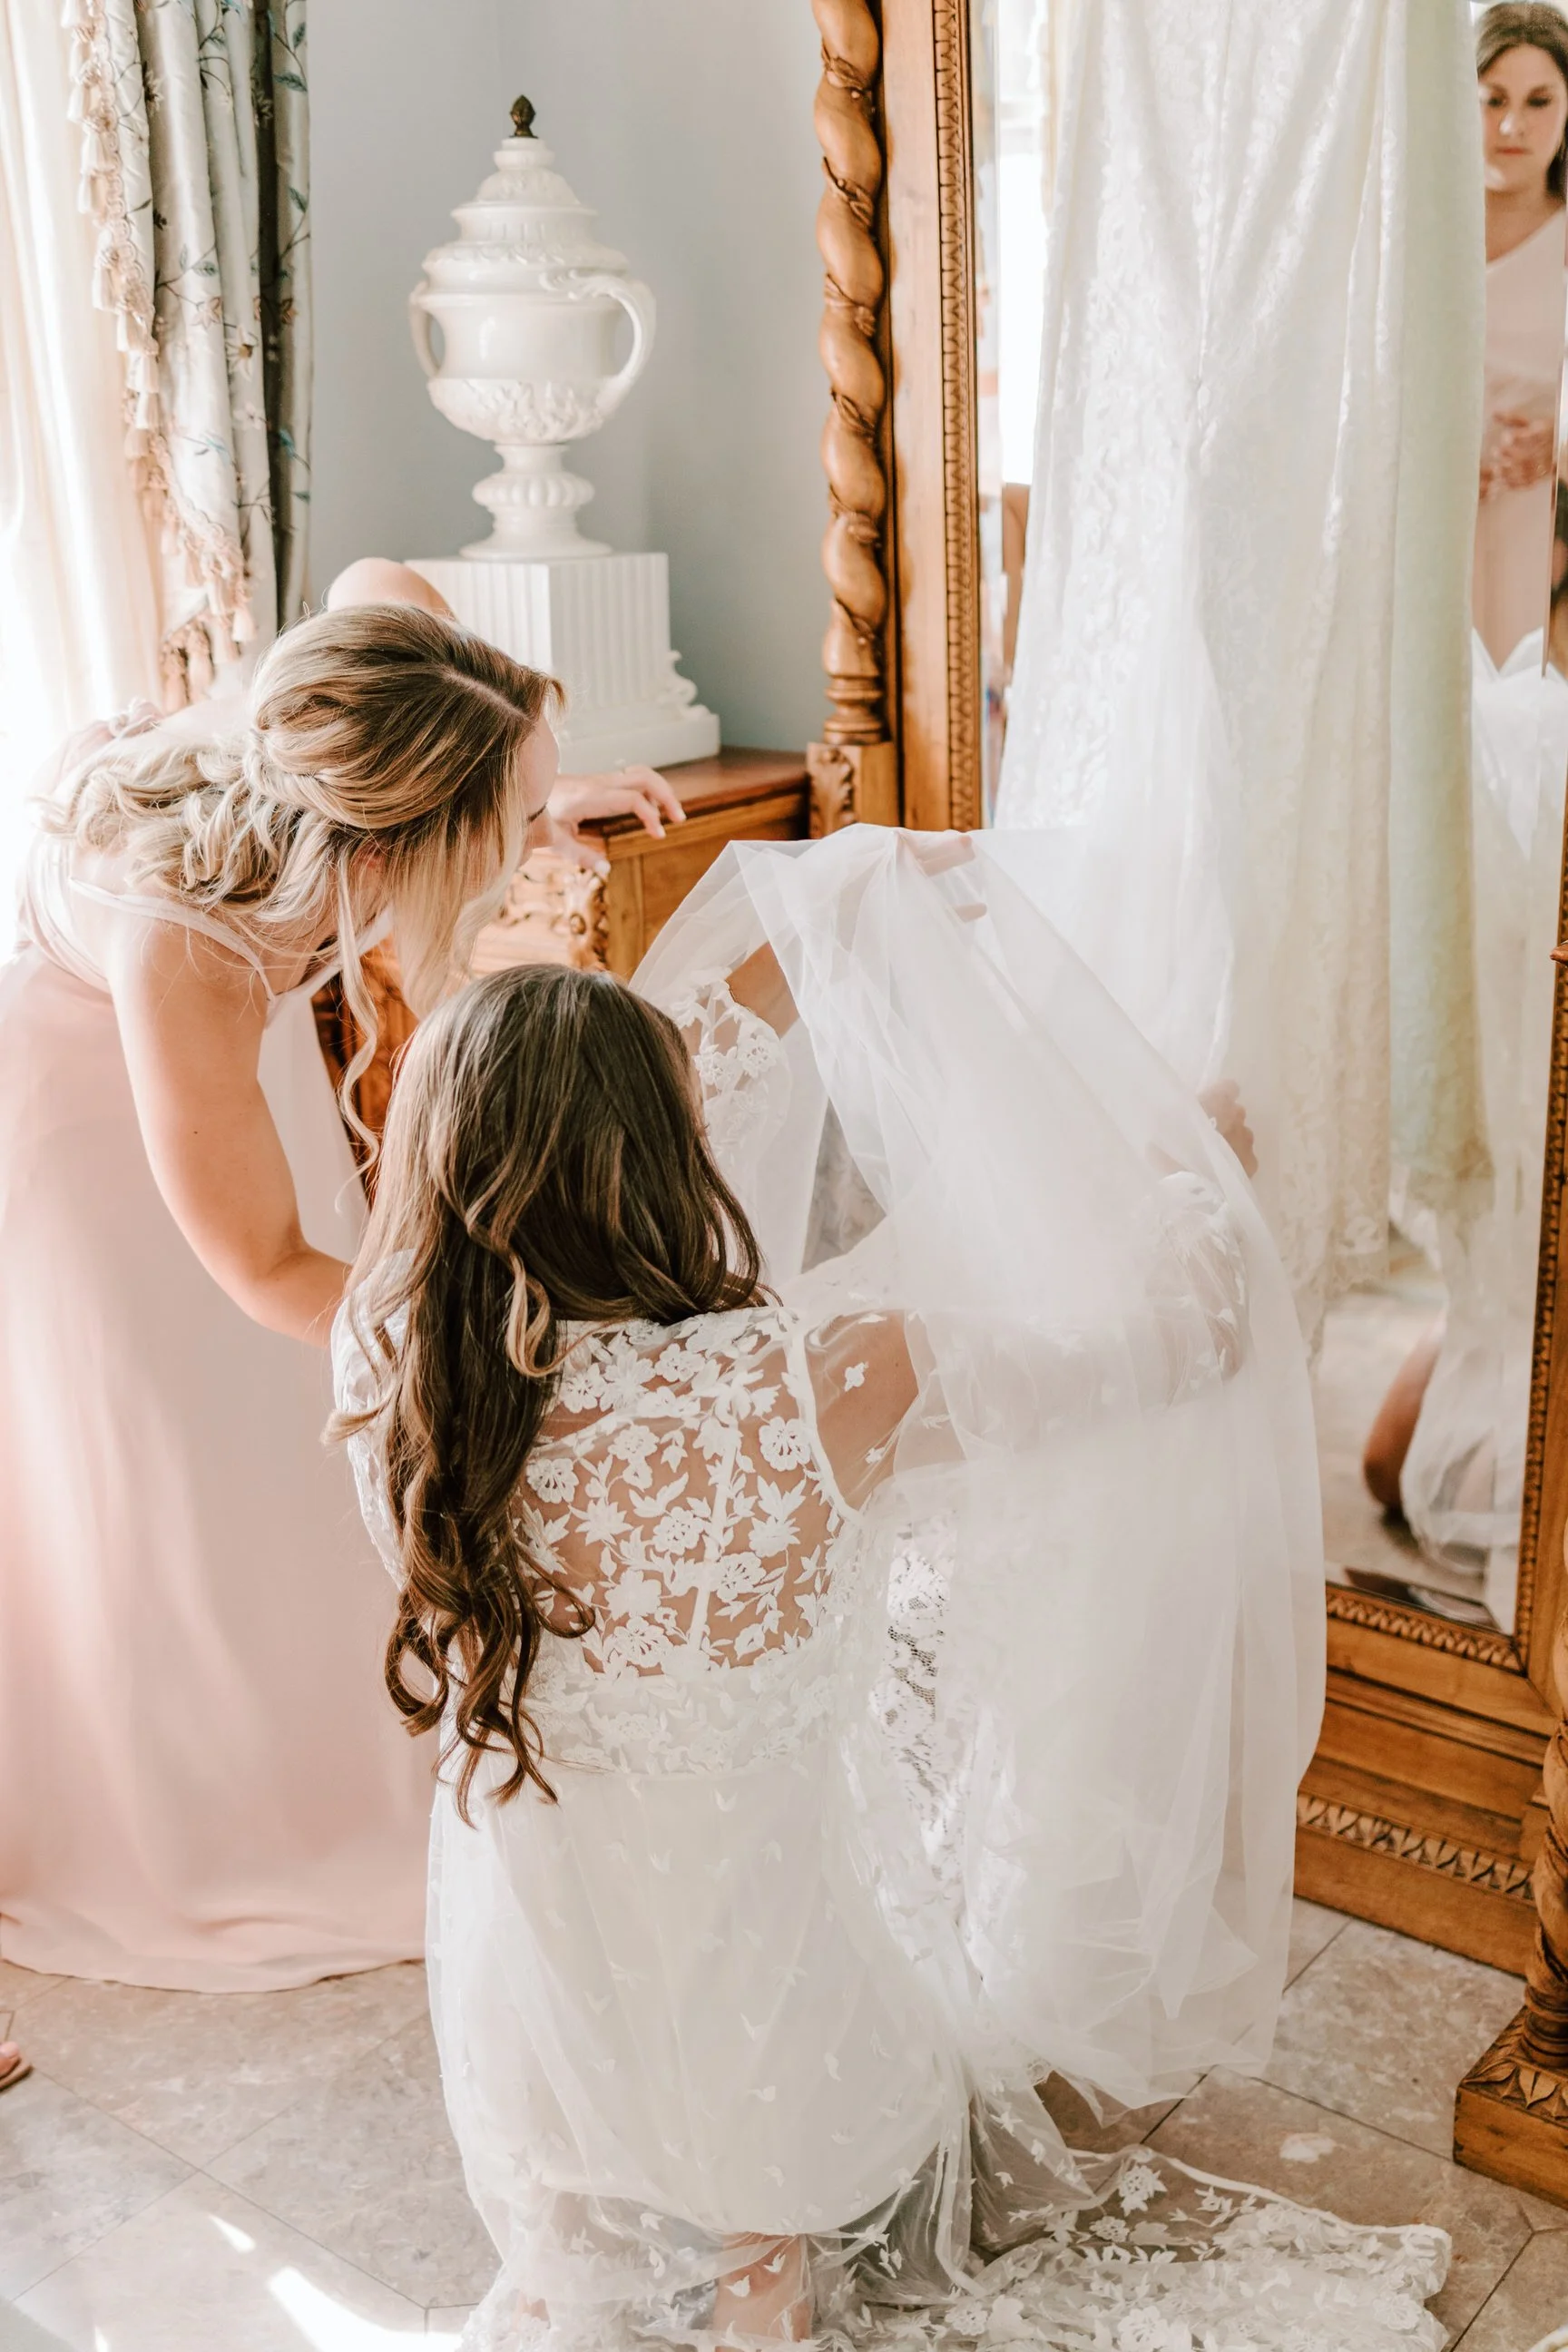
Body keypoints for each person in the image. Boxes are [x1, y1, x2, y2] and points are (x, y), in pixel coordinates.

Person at [335, 828, 1446, 2351]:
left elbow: (679, 1067)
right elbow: (1176, 1342)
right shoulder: (820, 1375)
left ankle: (577, 2259)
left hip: (534, 2018)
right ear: (664, 1153)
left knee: (588, 2181)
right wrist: (1190, 1177)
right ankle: (759, 2279)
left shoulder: (398, 1370)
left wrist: (827, 920)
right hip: (778, 2029)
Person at [0, 574, 682, 1991]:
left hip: (234, 1070)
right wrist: (471, 1347)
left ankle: (346, 1740)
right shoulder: (184, 950)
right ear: (399, 849)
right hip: (74, 1109)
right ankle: (208, 1810)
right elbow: (261, 1264)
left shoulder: (367, 682)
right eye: (503, 828)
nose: (533, 841)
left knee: (308, 1432)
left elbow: (379, 583)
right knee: (203, 1436)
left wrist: (537, 797)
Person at [1474, 4, 1568, 666]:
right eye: (1493, 100)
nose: (1513, 125)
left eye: (1539, 101)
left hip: (1542, 536)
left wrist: (1560, 442)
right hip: (1419, 521)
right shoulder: (1409, 237)